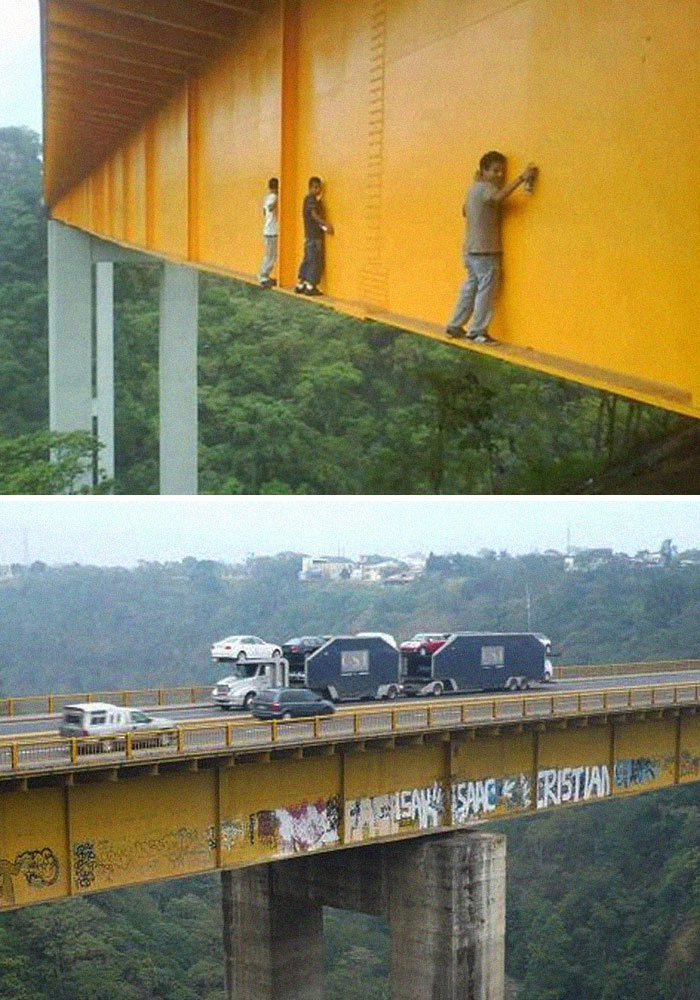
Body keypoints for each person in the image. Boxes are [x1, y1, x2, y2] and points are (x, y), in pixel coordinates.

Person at [446, 152, 538, 343]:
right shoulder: (486, 189)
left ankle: (455, 325)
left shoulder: (473, 189)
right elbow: (497, 198)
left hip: (471, 249)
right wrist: (522, 178)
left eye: (502, 171)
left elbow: (465, 211)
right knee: (486, 292)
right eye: (495, 171)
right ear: (483, 171)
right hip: (485, 250)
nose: (499, 175)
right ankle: (477, 331)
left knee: (470, 288)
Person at [295, 176, 334, 296]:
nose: (318, 190)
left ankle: (301, 284)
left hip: (309, 235)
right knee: (315, 261)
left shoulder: (308, 200)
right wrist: (325, 224)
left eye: (319, 188)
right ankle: (311, 286)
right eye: (316, 187)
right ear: (310, 187)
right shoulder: (311, 200)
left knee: (307, 259)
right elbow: (314, 214)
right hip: (314, 236)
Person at [259, 177, 278, 288]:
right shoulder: (274, 197)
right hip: (272, 231)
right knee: (271, 256)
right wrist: (276, 204)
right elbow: (270, 208)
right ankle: (263, 276)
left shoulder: (267, 197)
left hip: (268, 230)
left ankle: (265, 275)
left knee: (269, 255)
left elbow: (264, 211)